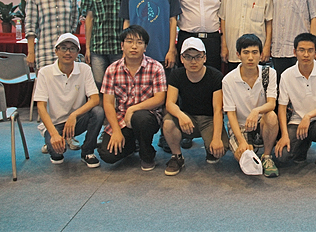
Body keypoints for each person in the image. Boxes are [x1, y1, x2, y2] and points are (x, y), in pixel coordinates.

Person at [98, 25, 167, 171]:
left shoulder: (155, 67)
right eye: (129, 42)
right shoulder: (112, 69)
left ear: (145, 47)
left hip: (147, 117)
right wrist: (116, 131)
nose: (134, 46)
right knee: (107, 154)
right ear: (122, 46)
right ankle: (132, 145)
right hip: (122, 119)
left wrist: (133, 109)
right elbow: (108, 103)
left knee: (140, 118)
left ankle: (147, 154)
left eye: (139, 42)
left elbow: (160, 98)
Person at [34, 33, 104, 167]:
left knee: (98, 111)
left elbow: (95, 99)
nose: (68, 52)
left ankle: (88, 152)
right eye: (63, 48)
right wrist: (54, 134)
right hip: (56, 124)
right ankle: (54, 141)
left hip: (77, 121)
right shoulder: (45, 72)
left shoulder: (84, 69)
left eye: (72, 48)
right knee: (57, 155)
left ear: (77, 52)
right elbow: (41, 107)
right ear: (56, 51)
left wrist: (74, 115)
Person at [274, 33, 316, 180]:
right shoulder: (286, 75)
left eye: (310, 50)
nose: (306, 54)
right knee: (282, 157)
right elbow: (282, 107)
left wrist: (308, 116)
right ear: (294, 52)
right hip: (297, 122)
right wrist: (284, 135)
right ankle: (303, 145)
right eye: (301, 50)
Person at [162, 37, 229, 176]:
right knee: (168, 123)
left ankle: (209, 147)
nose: (193, 61)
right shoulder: (176, 75)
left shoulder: (215, 76)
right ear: (182, 59)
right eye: (188, 57)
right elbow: (170, 103)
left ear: (204, 58)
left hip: (209, 119)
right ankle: (177, 156)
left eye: (198, 56)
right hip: (187, 118)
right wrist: (181, 115)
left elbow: (218, 109)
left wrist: (216, 138)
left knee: (219, 151)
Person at [222, 34, 279, 177]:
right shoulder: (228, 80)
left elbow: (271, 104)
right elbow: (230, 114)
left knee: (271, 116)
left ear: (261, 54)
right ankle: (247, 147)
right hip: (240, 126)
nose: (250, 57)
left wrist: (256, 111)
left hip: (261, 122)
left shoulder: (269, 73)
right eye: (246, 53)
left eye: (255, 52)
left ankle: (267, 156)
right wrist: (241, 141)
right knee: (244, 158)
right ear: (238, 55)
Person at [81, 0, 135, 88]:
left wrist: (128, 45)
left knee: (120, 85)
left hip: (120, 47)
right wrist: (88, 48)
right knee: (99, 85)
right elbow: (89, 19)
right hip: (98, 47)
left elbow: (131, 18)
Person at [25, 0, 79, 70]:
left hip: (67, 53)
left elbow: (74, 22)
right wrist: (31, 53)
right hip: (45, 52)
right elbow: (30, 27)